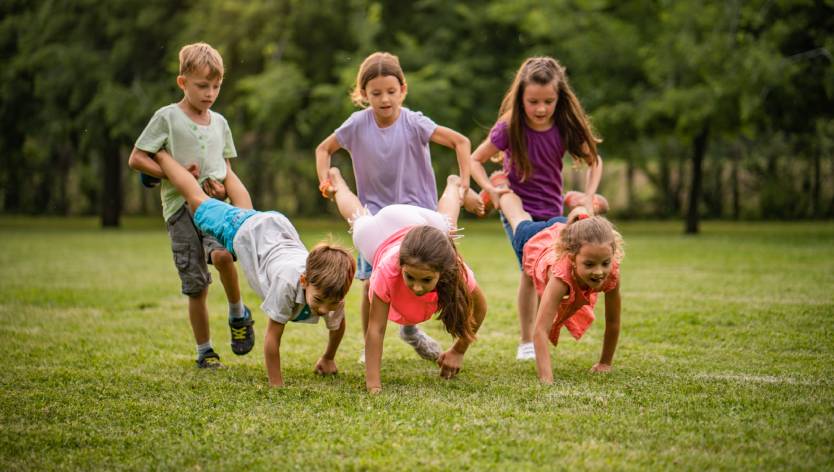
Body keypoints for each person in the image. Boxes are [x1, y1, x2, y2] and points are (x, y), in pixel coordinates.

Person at [315, 51, 480, 363]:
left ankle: (410, 330)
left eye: (391, 92)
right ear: (363, 94)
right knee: (369, 287)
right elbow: (324, 148)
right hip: (376, 221)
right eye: (376, 93)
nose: (385, 99)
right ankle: (369, 344)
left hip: (419, 218)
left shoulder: (415, 122)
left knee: (425, 278)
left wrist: (466, 184)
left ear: (403, 89)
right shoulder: (356, 125)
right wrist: (324, 178)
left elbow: (461, 142)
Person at [151, 150, 356, 387]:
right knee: (197, 201)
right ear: (304, 281)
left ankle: (223, 161)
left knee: (244, 210)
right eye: (319, 299)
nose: (323, 309)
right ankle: (162, 156)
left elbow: (337, 326)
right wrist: (276, 386)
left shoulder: (333, 292)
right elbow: (272, 338)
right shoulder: (287, 284)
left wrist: (328, 357)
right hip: (247, 232)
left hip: (277, 230)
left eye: (331, 304)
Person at [128, 42, 255, 368]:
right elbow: (137, 158)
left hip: (214, 204)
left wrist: (243, 210)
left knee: (225, 254)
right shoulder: (167, 118)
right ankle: (205, 350)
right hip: (179, 211)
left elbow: (227, 171)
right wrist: (173, 176)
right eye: (202, 85)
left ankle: (238, 313)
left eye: (216, 86)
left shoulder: (220, 123)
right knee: (196, 284)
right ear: (183, 82)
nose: (210, 93)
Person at [470, 56, 604, 361]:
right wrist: (491, 189)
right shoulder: (509, 126)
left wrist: (588, 196)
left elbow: (594, 160)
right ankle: (527, 340)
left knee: (552, 273)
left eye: (548, 101)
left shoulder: (564, 125)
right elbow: (475, 159)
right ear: (520, 98)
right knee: (530, 274)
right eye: (533, 101)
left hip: (551, 209)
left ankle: (542, 332)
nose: (541, 109)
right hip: (515, 206)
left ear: (560, 98)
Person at [326, 167, 488, 394]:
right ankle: (339, 184)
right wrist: (373, 385)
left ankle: (452, 184)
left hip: (424, 224)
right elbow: (376, 329)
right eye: (410, 277)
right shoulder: (385, 269)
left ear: (442, 272)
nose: (417, 287)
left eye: (427, 279)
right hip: (381, 231)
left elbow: (480, 308)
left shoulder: (453, 267)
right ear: (400, 266)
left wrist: (458, 350)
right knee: (357, 219)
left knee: (447, 224)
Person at [498, 190, 622, 384]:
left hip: (565, 226)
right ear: (572, 258)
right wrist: (546, 379)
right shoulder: (560, 278)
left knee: (587, 223)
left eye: (605, 263)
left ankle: (583, 207)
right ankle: (503, 191)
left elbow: (613, 322)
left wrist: (605, 363)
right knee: (518, 217)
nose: (599, 272)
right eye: (589, 265)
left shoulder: (611, 271)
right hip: (535, 237)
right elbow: (539, 331)